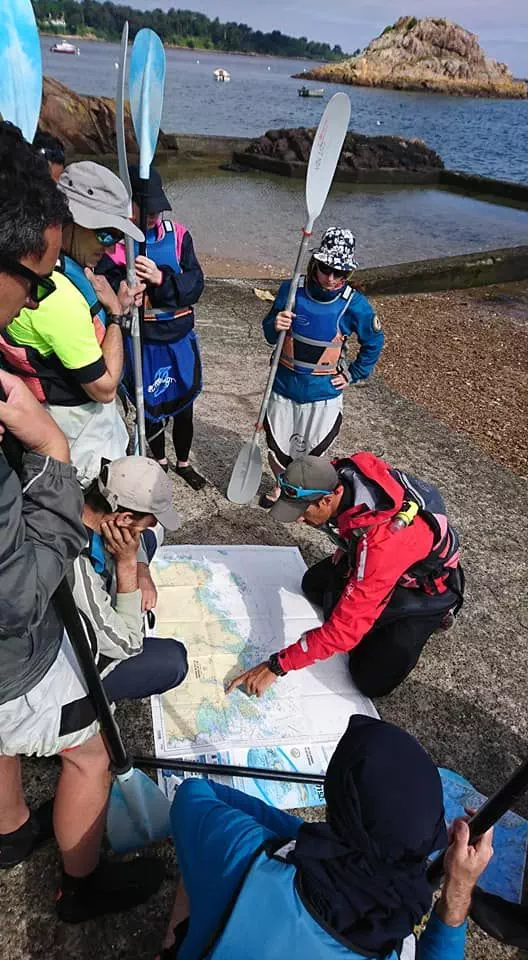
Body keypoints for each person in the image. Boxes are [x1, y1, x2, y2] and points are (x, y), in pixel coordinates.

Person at [0, 123, 164, 920]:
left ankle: (6, 830)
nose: (34, 298)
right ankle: (81, 887)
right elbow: (20, 593)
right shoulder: (61, 303)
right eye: (32, 277)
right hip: (12, 656)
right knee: (93, 753)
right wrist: (57, 465)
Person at [160, 715, 493, 959]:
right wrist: (459, 888)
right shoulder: (395, 943)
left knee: (199, 872)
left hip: (247, 886)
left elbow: (194, 795)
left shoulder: (243, 853)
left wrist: (310, 840)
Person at [228, 453, 464, 699]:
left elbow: (343, 632)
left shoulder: (382, 546)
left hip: (422, 587)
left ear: (328, 499)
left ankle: (437, 616)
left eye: (301, 511)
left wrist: (277, 666)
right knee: (313, 586)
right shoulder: (340, 473)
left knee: (370, 680)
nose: (298, 519)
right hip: (384, 556)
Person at [0, 161, 145, 487]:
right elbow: (104, 388)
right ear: (70, 222)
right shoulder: (57, 296)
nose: (111, 248)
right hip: (78, 437)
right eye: (106, 234)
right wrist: (117, 315)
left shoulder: (58, 270)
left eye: (118, 237)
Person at [97, 164, 206, 489]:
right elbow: (107, 287)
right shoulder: (115, 244)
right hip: (143, 342)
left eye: (158, 209)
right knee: (150, 408)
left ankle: (183, 462)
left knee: (184, 406)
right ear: (129, 205)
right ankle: (158, 460)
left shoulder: (179, 236)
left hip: (178, 338)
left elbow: (195, 283)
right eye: (146, 209)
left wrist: (159, 280)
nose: (153, 215)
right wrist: (127, 286)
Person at [259, 227, 383, 508]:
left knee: (311, 450)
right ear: (315, 263)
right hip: (284, 384)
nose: (330, 278)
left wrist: (354, 373)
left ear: (348, 274)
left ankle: (299, 490)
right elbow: (269, 334)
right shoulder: (291, 290)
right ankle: (281, 486)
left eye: (339, 273)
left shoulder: (355, 305)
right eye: (326, 269)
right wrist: (275, 324)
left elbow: (374, 341)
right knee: (278, 445)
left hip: (322, 391)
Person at [74, 455, 188, 703]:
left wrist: (142, 569)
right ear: (124, 518)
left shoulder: (79, 495)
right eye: (148, 521)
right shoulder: (75, 566)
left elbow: (141, 538)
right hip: (66, 668)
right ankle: (85, 708)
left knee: (146, 542)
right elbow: (128, 645)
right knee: (173, 661)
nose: (154, 524)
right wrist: (127, 567)